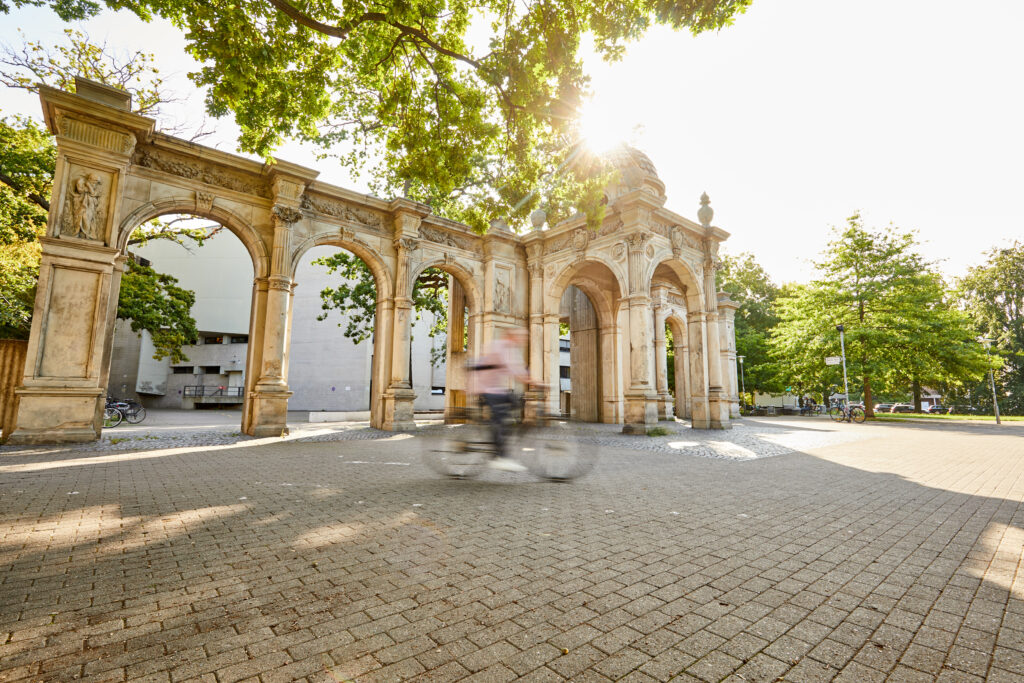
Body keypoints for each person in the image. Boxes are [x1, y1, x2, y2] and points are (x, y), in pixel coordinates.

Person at [469, 328, 533, 471]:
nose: (524, 339)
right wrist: (532, 381)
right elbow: (512, 370)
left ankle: (500, 432)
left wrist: (532, 379)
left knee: (516, 402)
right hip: (484, 388)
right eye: (522, 336)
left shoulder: (513, 350)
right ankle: (499, 457)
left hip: (496, 389)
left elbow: (520, 368)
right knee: (500, 418)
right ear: (512, 335)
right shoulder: (499, 346)